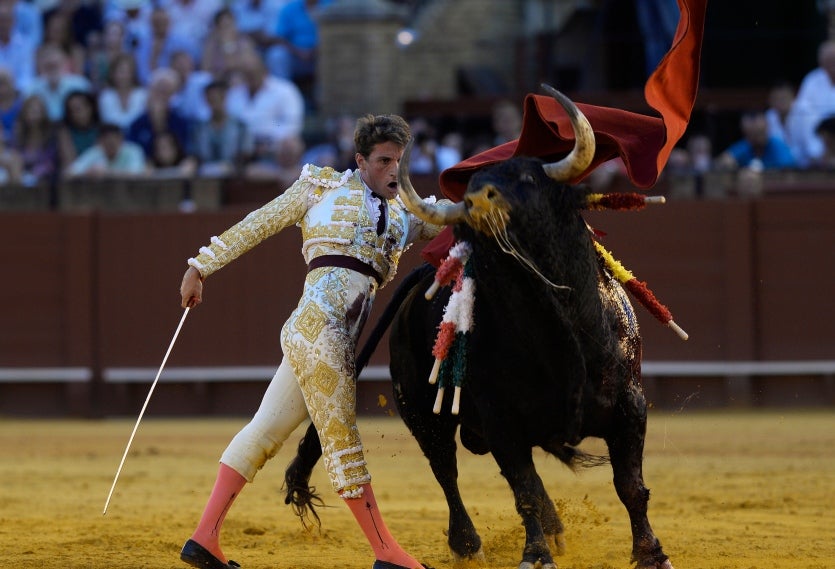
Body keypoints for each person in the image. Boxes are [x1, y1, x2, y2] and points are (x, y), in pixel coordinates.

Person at [178, 113, 445, 569]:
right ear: (360, 160)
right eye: (383, 161)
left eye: (398, 161)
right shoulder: (319, 188)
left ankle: (205, 539)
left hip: (332, 335)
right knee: (342, 439)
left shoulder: (406, 212)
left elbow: (452, 218)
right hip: (319, 328)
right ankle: (387, 553)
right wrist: (201, 266)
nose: (393, 171)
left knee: (264, 432)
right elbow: (258, 223)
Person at [225, 48, 304, 162]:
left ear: (265, 71)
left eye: (253, 72)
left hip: (274, 144)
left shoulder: (285, 90)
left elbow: (292, 124)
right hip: (241, 145)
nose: (250, 76)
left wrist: (268, 142)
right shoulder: (234, 94)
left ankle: (283, 176)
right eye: (246, 73)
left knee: (292, 144)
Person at [191, 78, 252, 177]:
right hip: (205, 176)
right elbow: (195, 156)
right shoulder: (199, 128)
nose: (214, 103)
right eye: (210, 99)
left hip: (233, 176)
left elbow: (246, 154)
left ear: (225, 97)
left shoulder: (240, 126)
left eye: (217, 98)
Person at [126, 66, 190, 159]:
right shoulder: (137, 124)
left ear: (173, 95)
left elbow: (184, 150)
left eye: (166, 91)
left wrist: (160, 123)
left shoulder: (181, 122)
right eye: (158, 90)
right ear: (150, 91)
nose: (161, 96)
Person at [790, 39, 835, 167]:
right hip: (819, 133)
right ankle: (818, 156)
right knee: (801, 109)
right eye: (828, 61)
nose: (832, 65)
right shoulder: (812, 80)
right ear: (821, 62)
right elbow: (804, 111)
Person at [25, 44, 91, 122]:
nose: (52, 70)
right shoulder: (31, 89)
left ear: (64, 64)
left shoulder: (80, 85)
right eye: (49, 66)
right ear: (40, 67)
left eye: (55, 66)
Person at [715, 109, 797, 171]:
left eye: (759, 133)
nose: (756, 138)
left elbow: (788, 171)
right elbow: (722, 161)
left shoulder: (778, 146)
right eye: (751, 134)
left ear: (766, 128)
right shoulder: (745, 146)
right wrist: (727, 164)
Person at [63, 121, 146, 178]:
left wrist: (107, 173)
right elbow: (70, 172)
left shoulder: (133, 150)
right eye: (107, 142)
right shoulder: (95, 152)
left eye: (114, 140)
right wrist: (87, 172)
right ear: (100, 142)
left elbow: (138, 173)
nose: (111, 144)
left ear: (121, 139)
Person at [97, 52, 147, 132]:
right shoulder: (106, 96)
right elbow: (107, 122)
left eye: (128, 72)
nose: (124, 76)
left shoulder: (143, 95)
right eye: (121, 72)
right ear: (112, 74)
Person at [56, 89, 101, 169]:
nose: (75, 114)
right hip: (75, 176)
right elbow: (70, 164)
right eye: (71, 111)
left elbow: (99, 160)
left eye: (78, 109)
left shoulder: (101, 130)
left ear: (90, 108)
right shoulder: (64, 132)